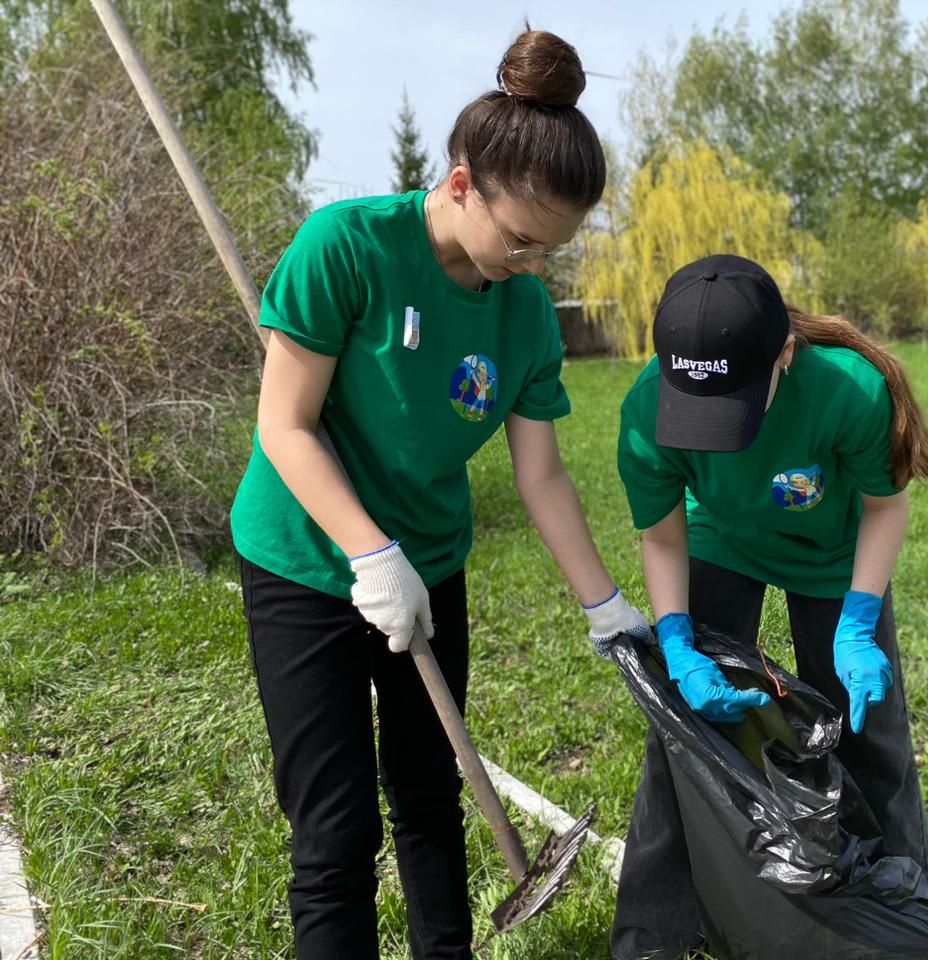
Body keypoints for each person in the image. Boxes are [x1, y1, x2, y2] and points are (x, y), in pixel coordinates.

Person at [229, 29, 648, 960]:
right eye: (521, 239)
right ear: (462, 184)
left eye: (553, 249)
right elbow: (285, 427)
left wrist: (607, 606)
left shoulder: (524, 313)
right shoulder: (346, 246)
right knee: (335, 829)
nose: (531, 264)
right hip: (306, 557)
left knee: (427, 793)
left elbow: (538, 472)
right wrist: (369, 555)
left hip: (429, 559)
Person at [609, 254, 928, 959]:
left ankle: (900, 917)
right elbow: (662, 534)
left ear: (784, 355)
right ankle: (659, 933)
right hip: (720, 536)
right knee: (683, 732)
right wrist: (676, 641)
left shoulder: (848, 389)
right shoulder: (645, 411)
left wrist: (855, 627)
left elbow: (885, 506)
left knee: (869, 726)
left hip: (830, 554)